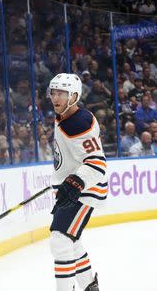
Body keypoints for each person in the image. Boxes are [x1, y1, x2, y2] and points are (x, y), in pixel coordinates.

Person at [48, 73, 107, 291]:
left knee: (60, 240)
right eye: (53, 92)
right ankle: (89, 286)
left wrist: (75, 182)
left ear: (74, 96)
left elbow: (97, 164)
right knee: (70, 240)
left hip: (85, 190)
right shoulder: (65, 116)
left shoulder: (78, 123)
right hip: (74, 188)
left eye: (61, 93)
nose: (56, 98)